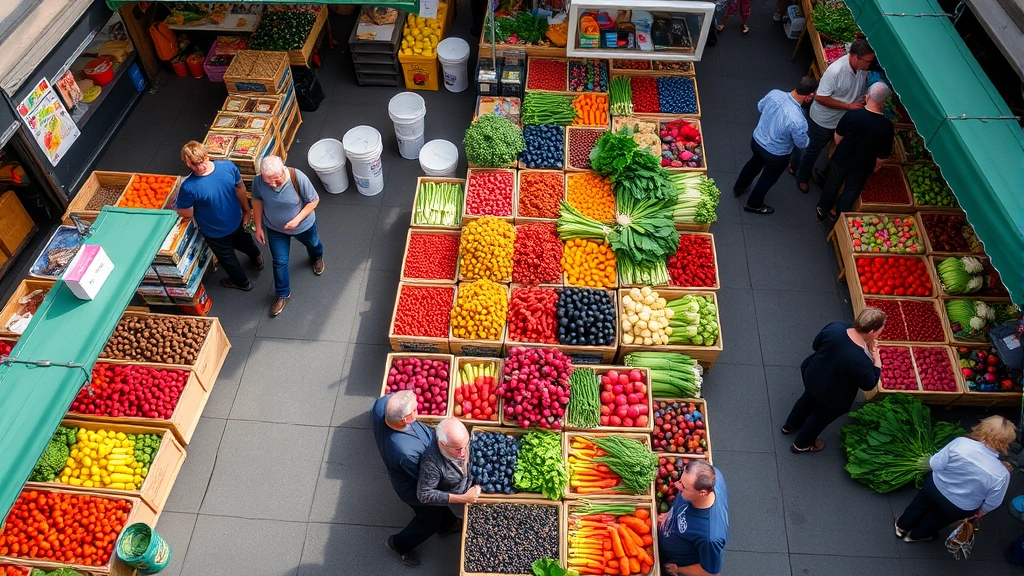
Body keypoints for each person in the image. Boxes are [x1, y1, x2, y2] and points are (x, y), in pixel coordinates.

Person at [783, 307, 885, 453]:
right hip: (833, 396)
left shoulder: (835, 327)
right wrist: (877, 362)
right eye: (881, 329)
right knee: (819, 418)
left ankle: (788, 426)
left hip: (813, 376)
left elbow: (815, 345)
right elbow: (868, 384)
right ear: (871, 332)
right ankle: (801, 445)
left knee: (807, 399)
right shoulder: (862, 361)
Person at [897, 416, 1014, 542]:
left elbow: (936, 465)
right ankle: (915, 536)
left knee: (918, 505)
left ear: (982, 429)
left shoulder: (961, 443)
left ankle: (901, 527)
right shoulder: (1002, 474)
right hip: (959, 507)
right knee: (937, 520)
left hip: (935, 487)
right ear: (1005, 443)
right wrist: (981, 512)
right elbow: (993, 502)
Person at [372, 391, 451, 567]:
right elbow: (426, 482)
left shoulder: (381, 406)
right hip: (413, 488)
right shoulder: (405, 453)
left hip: (411, 473)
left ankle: (447, 525)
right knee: (429, 520)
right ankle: (399, 545)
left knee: (441, 511)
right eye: (415, 409)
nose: (419, 409)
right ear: (404, 420)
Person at [791, 39, 876, 193]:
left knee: (830, 149)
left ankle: (812, 170)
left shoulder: (862, 70)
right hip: (823, 121)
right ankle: (800, 175)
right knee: (813, 149)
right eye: (867, 61)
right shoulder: (835, 71)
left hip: (842, 119)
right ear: (855, 57)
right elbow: (821, 98)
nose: (869, 65)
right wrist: (849, 106)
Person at [176, 141, 262, 291]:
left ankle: (242, 283)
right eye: (195, 164)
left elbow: (187, 213)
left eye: (201, 162)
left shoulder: (188, 187)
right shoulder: (227, 167)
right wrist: (246, 210)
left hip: (213, 231)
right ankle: (257, 259)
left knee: (227, 257)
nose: (200, 167)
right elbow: (240, 188)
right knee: (244, 240)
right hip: (235, 219)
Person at [251, 155, 324, 317]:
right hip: (275, 229)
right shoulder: (258, 181)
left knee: (313, 243)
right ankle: (283, 294)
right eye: (267, 181)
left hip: (303, 225)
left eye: (275, 180)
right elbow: (257, 200)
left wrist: (297, 220)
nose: (272, 184)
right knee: (279, 261)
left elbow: (314, 200)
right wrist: (258, 226)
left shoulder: (297, 177)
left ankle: (317, 257)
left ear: (282, 170)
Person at [734, 76, 819, 215]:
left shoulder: (774, 93)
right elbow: (801, 143)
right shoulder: (798, 120)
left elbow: (760, 107)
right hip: (776, 154)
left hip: (757, 141)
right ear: (809, 96)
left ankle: (739, 186)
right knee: (767, 178)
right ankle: (753, 204)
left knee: (754, 163)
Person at [814, 82, 894, 221]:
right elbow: (883, 155)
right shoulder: (887, 126)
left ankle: (822, 209)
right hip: (863, 166)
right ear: (884, 103)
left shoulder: (852, 115)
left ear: (868, 96)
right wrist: (876, 163)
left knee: (832, 184)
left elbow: (838, 138)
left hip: (842, 158)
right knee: (851, 190)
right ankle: (839, 214)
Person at [658, 460, 729, 576]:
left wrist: (679, 570)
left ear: (702, 493)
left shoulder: (710, 537)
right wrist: (669, 514)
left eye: (684, 487)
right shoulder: (711, 473)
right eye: (680, 480)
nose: (677, 485)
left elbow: (711, 573)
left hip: (676, 561)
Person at [417, 418, 481, 519]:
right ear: (443, 444)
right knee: (461, 516)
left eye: (466, 445)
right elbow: (424, 495)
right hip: (457, 498)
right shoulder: (431, 464)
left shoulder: (459, 440)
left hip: (470, 485)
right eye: (458, 449)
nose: (464, 453)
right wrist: (463, 498)